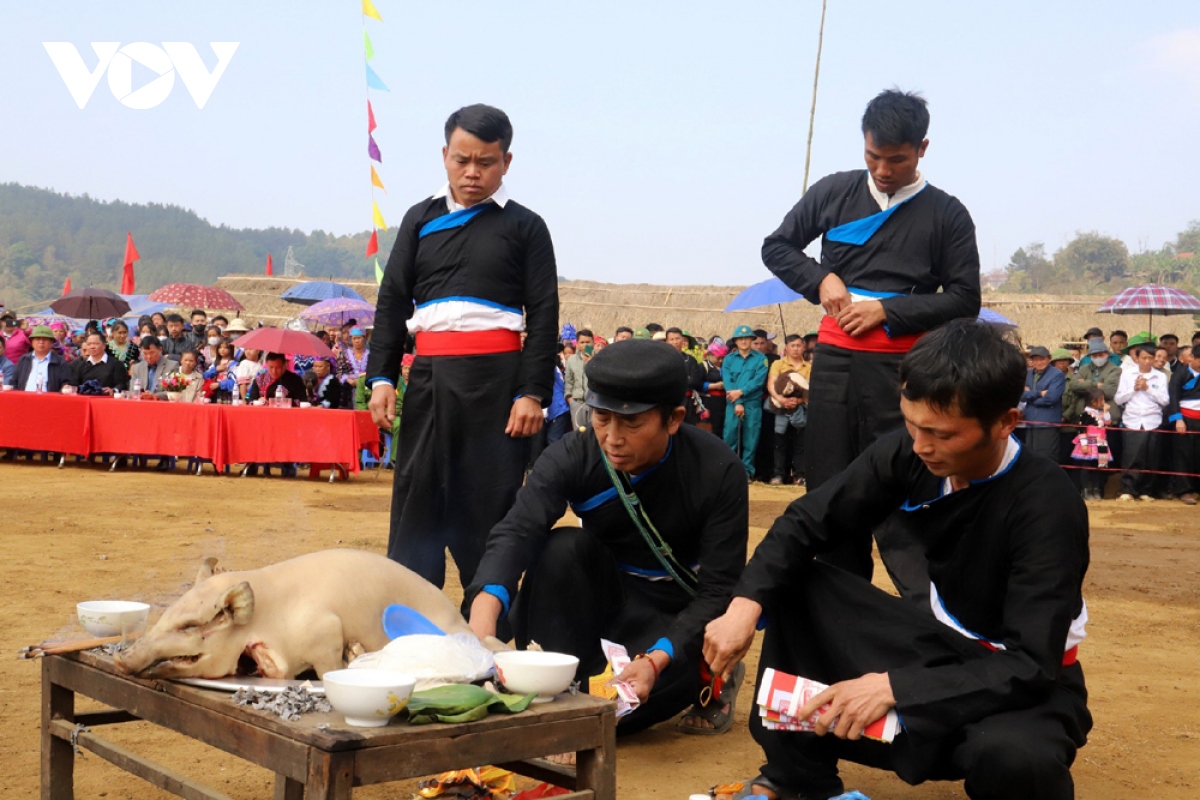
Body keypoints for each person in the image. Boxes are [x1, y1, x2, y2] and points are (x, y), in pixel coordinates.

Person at [703, 319, 1090, 800]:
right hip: (934, 644)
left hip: (1021, 680)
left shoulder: (1046, 504)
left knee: (1013, 759)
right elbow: (805, 521)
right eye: (911, 424)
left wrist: (895, 689)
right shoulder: (911, 451)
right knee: (794, 582)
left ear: (1005, 422)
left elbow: (1033, 664)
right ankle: (795, 778)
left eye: (942, 434)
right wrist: (744, 606)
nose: (922, 445)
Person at [467, 339, 749, 737]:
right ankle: (563, 686)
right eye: (601, 417)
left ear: (673, 419)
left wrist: (655, 660)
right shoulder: (574, 454)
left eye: (631, 423)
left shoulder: (719, 471)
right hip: (606, 597)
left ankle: (714, 673)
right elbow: (519, 528)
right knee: (562, 547)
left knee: (614, 721)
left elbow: (719, 590)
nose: (612, 438)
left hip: (678, 617)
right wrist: (481, 624)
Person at [761, 89, 981, 579]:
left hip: (907, 373)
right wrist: (821, 278)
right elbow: (776, 247)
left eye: (897, 159)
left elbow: (966, 298)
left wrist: (889, 310)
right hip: (835, 365)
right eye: (873, 157)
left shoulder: (947, 214)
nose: (883, 170)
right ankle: (841, 614)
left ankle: (931, 619)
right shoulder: (832, 192)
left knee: (908, 491)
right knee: (831, 489)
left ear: (922, 149)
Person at [366, 103, 559, 590]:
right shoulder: (419, 219)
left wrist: (531, 392)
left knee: (489, 505)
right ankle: (411, 622)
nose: (472, 173)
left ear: (506, 162)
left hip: (497, 386)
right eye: (461, 160)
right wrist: (383, 378)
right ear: (444, 155)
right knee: (416, 500)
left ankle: (488, 623)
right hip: (429, 379)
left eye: (486, 162)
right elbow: (392, 301)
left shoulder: (526, 227)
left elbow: (544, 313)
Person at [1114, 343, 1169, 501]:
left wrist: (1148, 388)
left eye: (1150, 358)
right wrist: (1134, 389)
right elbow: (1118, 398)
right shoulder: (1127, 374)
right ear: (1136, 358)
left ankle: (1147, 490)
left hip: (1153, 420)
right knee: (1132, 456)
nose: (1147, 361)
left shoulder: (1160, 376)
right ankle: (1128, 490)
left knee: (1151, 457)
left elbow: (1165, 400)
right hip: (1133, 419)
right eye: (1143, 358)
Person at [722, 325, 769, 480]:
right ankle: (729, 472)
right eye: (740, 338)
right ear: (735, 341)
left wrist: (741, 393)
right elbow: (728, 381)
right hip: (732, 403)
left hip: (752, 404)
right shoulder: (729, 359)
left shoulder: (761, 359)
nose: (743, 341)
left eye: (747, 338)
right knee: (730, 437)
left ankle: (747, 472)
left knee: (751, 439)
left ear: (752, 340)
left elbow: (758, 381)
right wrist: (737, 401)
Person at [767, 334, 812, 486]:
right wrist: (781, 399)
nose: (795, 349)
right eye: (792, 345)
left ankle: (799, 475)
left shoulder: (809, 367)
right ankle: (779, 474)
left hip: (801, 409)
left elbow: (810, 390)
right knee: (780, 442)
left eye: (799, 346)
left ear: (803, 348)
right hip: (781, 408)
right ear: (786, 347)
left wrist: (798, 400)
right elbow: (771, 384)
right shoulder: (778, 364)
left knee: (801, 443)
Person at [1167, 345, 1200, 505]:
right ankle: (1184, 490)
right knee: (1183, 456)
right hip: (1185, 419)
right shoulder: (1179, 374)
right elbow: (1173, 397)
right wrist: (1178, 419)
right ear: (1192, 358)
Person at [1021, 346, 1066, 463]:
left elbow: (1051, 398)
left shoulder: (1057, 375)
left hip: (1047, 423)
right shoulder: (1028, 374)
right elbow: (1020, 395)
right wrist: (1039, 393)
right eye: (1035, 359)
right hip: (1030, 421)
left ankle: (1050, 481)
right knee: (1031, 457)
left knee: (1047, 457)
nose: (1038, 362)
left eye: (1042, 359)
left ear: (1049, 359)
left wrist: (1030, 397)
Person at [1069, 387, 1112, 501]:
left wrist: (1106, 411)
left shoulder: (1100, 413)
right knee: (1086, 467)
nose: (1103, 402)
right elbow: (1081, 430)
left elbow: (1108, 422)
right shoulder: (1086, 414)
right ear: (1093, 401)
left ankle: (1096, 489)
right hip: (1089, 443)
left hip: (1101, 443)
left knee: (1099, 467)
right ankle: (1085, 490)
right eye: (1101, 400)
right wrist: (1083, 444)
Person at [665, 327, 706, 424]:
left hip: (688, 401)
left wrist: (675, 381)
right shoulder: (663, 360)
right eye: (672, 339)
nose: (675, 342)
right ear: (667, 341)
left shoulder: (690, 360)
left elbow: (695, 381)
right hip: (669, 400)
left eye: (677, 338)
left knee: (688, 428)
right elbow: (664, 380)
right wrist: (685, 378)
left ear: (682, 340)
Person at [13, 326, 71, 392]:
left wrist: (66, 388)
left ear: (51, 342)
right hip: (24, 399)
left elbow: (66, 383)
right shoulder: (24, 359)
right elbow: (14, 381)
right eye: (37, 339)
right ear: (32, 342)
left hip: (50, 400)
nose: (41, 342)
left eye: (45, 339)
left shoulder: (60, 362)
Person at [564, 328, 594, 427]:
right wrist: (570, 398)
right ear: (577, 344)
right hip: (577, 402)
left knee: (594, 433)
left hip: (594, 402)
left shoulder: (599, 358)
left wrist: (592, 364)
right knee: (578, 433)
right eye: (582, 342)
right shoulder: (572, 360)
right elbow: (568, 381)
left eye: (588, 342)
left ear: (593, 342)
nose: (585, 345)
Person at [336, 326, 371, 405]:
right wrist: (350, 381)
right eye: (354, 338)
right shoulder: (344, 354)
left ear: (364, 338)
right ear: (351, 339)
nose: (357, 341)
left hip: (367, 387)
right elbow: (339, 373)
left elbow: (374, 371)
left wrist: (362, 380)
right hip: (348, 390)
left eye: (359, 338)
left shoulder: (370, 354)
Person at [701, 341, 728, 439]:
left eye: (723, 358)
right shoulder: (704, 366)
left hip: (724, 402)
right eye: (718, 358)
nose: (721, 361)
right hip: (709, 402)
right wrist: (713, 386)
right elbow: (696, 384)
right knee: (708, 429)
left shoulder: (726, 367)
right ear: (710, 355)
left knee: (721, 428)